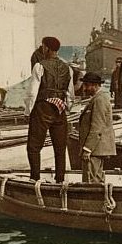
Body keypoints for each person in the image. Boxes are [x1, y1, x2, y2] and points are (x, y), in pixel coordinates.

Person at [26, 36, 72, 182]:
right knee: (60, 148)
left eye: (43, 46)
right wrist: (67, 108)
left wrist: (28, 111)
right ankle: (60, 180)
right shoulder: (68, 68)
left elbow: (32, 92)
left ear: (46, 48)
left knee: (34, 147)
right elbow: (70, 94)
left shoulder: (39, 66)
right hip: (60, 110)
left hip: (43, 108)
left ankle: (35, 179)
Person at [76, 72, 115, 183]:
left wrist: (87, 149)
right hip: (97, 149)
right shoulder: (98, 98)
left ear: (95, 85)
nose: (84, 89)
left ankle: (93, 200)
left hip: (94, 149)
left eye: (87, 85)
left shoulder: (99, 100)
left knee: (91, 180)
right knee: (96, 179)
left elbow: (97, 128)